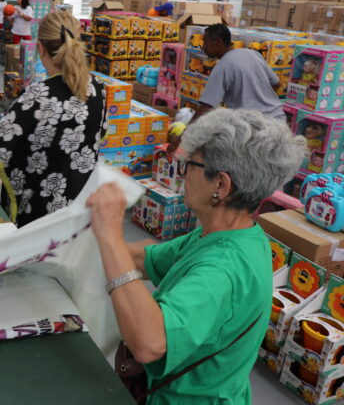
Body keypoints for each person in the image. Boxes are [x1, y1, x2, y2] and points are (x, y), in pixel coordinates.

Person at [86, 109, 306, 404]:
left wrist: (111, 237)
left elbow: (149, 342)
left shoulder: (223, 268)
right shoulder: (229, 234)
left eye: (189, 166)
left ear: (221, 185)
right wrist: (78, 242)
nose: (183, 175)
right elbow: (144, 259)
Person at [0, 11, 107, 226]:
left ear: (40, 48)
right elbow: (95, 135)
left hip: (38, 213)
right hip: (79, 207)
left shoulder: (39, 95)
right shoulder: (97, 89)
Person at [197, 24, 285, 122]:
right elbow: (276, 83)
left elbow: (206, 107)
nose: (203, 47)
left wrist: (188, 129)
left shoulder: (221, 68)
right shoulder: (253, 54)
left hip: (255, 125)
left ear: (218, 42)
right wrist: (259, 98)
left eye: (205, 42)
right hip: (277, 120)